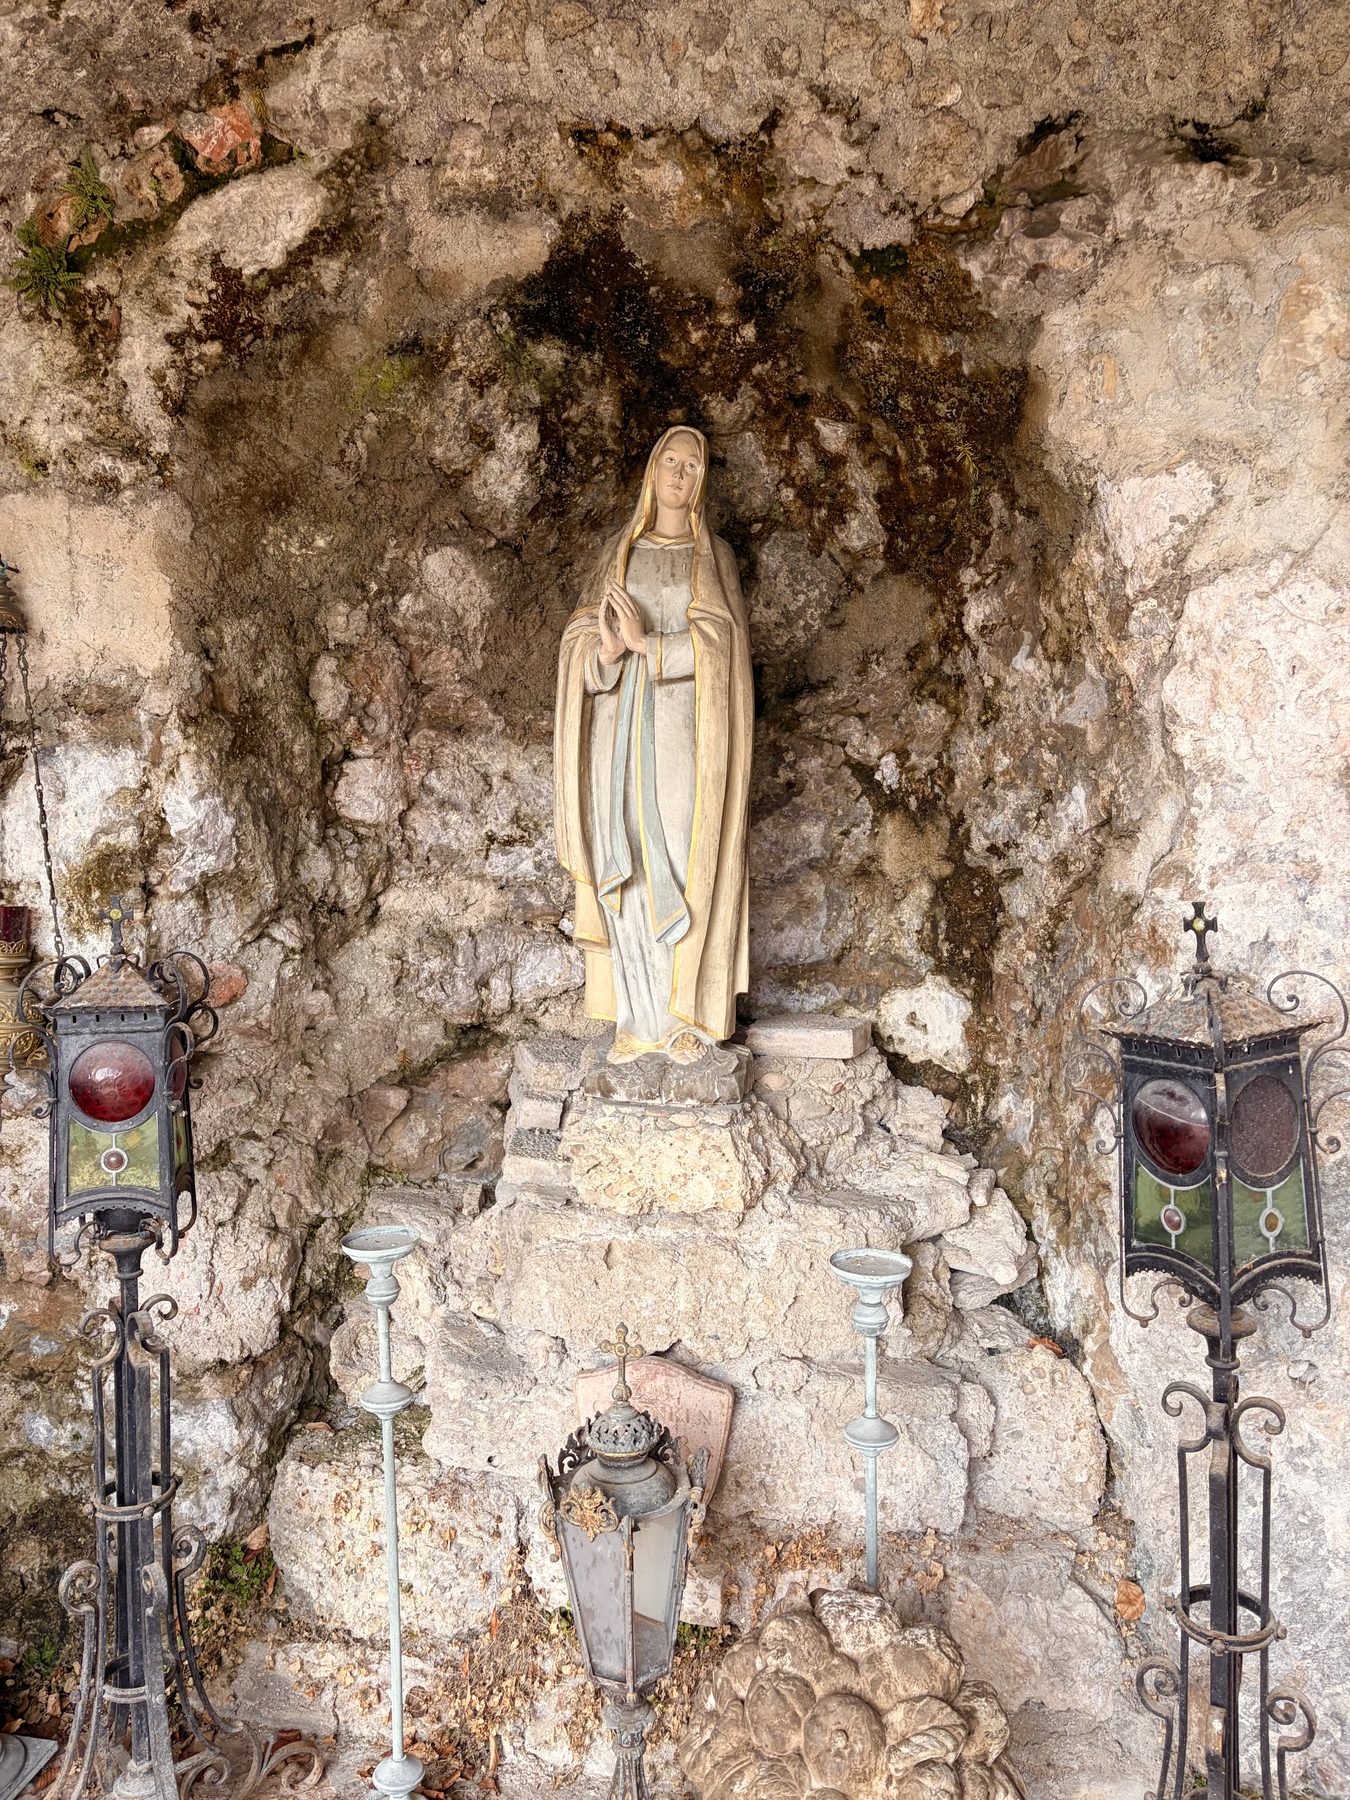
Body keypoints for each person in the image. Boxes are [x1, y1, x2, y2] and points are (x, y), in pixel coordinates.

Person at [554, 426, 753, 1064]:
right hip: (619, 731)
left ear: (701, 482)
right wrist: (608, 652)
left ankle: (685, 1015)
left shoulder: (711, 554)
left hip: (684, 737)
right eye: (670, 460)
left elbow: (725, 649)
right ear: (651, 469)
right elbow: (581, 641)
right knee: (630, 855)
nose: (679, 473)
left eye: (692, 466)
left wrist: (651, 646)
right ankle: (639, 1018)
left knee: (682, 850)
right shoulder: (619, 551)